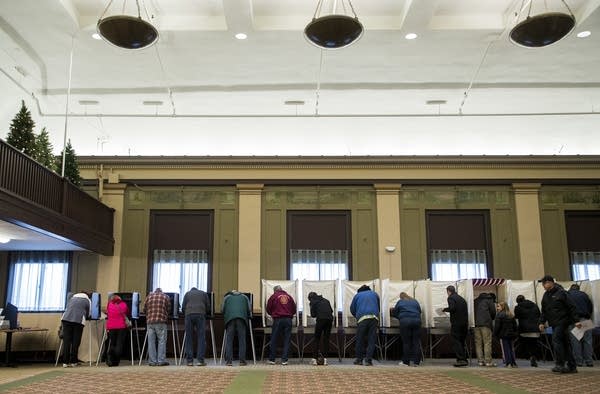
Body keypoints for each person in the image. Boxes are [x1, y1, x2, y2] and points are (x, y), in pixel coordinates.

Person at [538, 275, 581, 374]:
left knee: (556, 340)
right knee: (565, 344)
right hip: (554, 323)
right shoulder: (546, 295)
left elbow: (572, 307)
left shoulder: (562, 293)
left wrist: (576, 320)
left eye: (544, 283)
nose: (543, 286)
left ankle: (559, 364)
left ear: (550, 283)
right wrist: (541, 322)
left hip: (563, 322)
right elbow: (544, 310)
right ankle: (572, 366)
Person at [350, 284, 380, 366]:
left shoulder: (357, 295)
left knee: (360, 339)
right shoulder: (375, 294)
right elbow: (378, 307)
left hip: (362, 319)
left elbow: (352, 309)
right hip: (374, 318)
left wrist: (357, 315)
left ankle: (359, 359)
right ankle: (368, 360)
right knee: (371, 340)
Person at [266, 285, 297, 365]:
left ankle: (272, 359)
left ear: (275, 291)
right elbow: (294, 309)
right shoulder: (289, 297)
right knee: (287, 339)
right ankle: (284, 360)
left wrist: (272, 314)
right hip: (288, 320)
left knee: (274, 339)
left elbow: (268, 308)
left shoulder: (274, 296)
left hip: (278, 319)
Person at [61, 291, 91, 367]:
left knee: (66, 341)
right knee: (76, 341)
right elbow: (89, 313)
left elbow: (67, 307)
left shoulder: (72, 298)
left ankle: (65, 362)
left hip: (66, 319)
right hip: (78, 321)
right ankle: (73, 361)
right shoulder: (87, 300)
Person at [182, 287, 210, 366]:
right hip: (200, 314)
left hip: (189, 314)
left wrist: (187, 312)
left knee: (189, 338)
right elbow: (208, 306)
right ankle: (200, 361)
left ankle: (189, 361)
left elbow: (183, 307)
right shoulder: (203, 293)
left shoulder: (187, 293)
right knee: (201, 337)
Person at [392, 292, 422, 367]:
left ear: (401, 297)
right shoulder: (415, 301)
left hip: (405, 322)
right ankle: (416, 362)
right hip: (417, 321)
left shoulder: (400, 302)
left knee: (406, 342)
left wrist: (400, 317)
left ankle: (406, 362)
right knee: (416, 342)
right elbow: (419, 311)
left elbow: (395, 313)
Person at [222, 290, 251, 366]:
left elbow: (222, 310)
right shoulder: (245, 297)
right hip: (242, 319)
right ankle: (242, 361)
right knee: (242, 340)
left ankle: (229, 361)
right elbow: (249, 310)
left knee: (229, 340)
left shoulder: (227, 297)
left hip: (230, 319)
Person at [567, 284, 594, 367]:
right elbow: (590, 306)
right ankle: (589, 361)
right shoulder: (584, 295)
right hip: (586, 319)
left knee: (576, 341)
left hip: (574, 320)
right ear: (578, 289)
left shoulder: (567, 295)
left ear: (570, 289)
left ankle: (579, 362)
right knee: (588, 341)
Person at [442, 285, 469, 367]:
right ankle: (464, 359)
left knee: (456, 341)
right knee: (461, 341)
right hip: (464, 323)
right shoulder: (461, 298)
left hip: (457, 323)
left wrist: (445, 309)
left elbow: (452, 308)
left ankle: (460, 360)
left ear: (448, 291)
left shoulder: (451, 298)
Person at [144, 288, 171, 366]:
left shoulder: (149, 296)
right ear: (161, 291)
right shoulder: (165, 297)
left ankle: (152, 361)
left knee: (151, 342)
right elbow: (168, 309)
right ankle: (161, 360)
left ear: (154, 291)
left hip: (150, 322)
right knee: (161, 341)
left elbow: (144, 309)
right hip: (161, 321)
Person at [514, 294, 541, 367]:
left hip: (524, 329)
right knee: (534, 343)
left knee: (525, 343)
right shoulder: (534, 305)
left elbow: (516, 317)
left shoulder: (518, 307)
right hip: (535, 329)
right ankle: (533, 356)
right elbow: (539, 315)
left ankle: (528, 356)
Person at [308, 291, 334, 365]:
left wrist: (312, 307)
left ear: (310, 298)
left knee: (317, 338)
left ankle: (314, 359)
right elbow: (331, 311)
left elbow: (313, 315)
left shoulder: (313, 302)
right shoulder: (326, 300)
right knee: (326, 339)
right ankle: (325, 360)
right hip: (329, 320)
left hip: (321, 320)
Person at [105, 294, 129, 367]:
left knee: (113, 343)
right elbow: (127, 312)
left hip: (111, 327)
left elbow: (107, 312)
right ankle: (115, 361)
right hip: (121, 326)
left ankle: (110, 358)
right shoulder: (124, 304)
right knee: (119, 344)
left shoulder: (109, 304)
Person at [473, 292, 496, 367]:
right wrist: (491, 318)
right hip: (486, 324)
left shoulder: (475, 301)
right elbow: (493, 312)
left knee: (478, 343)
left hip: (476, 324)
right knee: (487, 343)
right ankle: (488, 361)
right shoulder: (489, 300)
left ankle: (480, 361)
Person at [493, 301, 518, 368]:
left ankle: (508, 363)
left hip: (503, 335)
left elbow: (497, 327)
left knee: (506, 349)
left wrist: (495, 334)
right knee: (511, 348)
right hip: (511, 334)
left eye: (498, 306)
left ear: (502, 307)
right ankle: (514, 363)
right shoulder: (511, 315)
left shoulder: (499, 315)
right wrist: (515, 333)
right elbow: (515, 326)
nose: (497, 308)